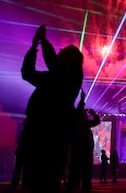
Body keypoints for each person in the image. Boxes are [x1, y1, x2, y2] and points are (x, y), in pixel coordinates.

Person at [21, 25, 83, 193]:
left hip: (53, 135)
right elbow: (27, 73)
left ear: (71, 61)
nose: (60, 50)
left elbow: (53, 63)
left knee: (47, 181)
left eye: (64, 51)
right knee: (35, 183)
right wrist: (34, 47)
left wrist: (43, 40)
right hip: (37, 133)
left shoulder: (72, 76)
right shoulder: (53, 78)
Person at [67, 89, 101, 191]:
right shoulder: (83, 123)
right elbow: (97, 121)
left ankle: (73, 185)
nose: (86, 115)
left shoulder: (78, 122)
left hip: (78, 150)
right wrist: (93, 113)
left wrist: (82, 101)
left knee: (75, 169)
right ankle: (81, 186)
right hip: (83, 150)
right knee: (84, 170)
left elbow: (95, 121)